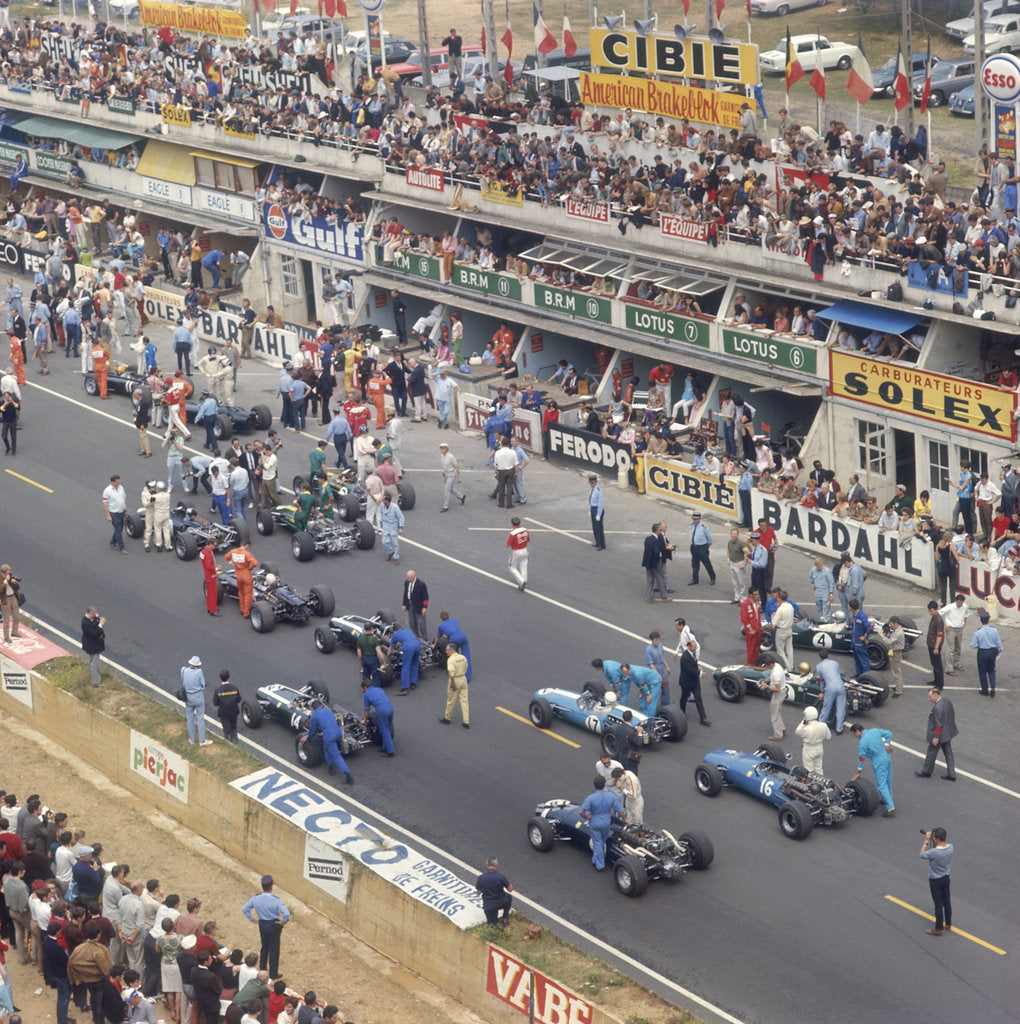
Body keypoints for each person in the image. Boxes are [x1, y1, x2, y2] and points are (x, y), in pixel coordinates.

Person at [242, 876, 289, 979]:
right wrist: (283, 922)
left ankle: (263, 969)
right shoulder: (276, 900)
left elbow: (245, 908)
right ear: (271, 887)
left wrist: (252, 919)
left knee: (264, 947)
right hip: (273, 925)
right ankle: (273, 974)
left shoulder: (255, 898)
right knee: (274, 950)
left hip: (262, 924)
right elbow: (286, 914)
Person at [579, 777, 626, 871]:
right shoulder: (611, 796)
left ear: (595, 785)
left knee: (597, 843)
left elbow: (581, 812)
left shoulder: (591, 798)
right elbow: (620, 811)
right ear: (604, 784)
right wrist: (625, 820)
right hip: (606, 822)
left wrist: (587, 817)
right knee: (602, 841)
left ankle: (600, 865)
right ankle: (595, 859)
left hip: (595, 822)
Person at [302, 700, 354, 784]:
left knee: (336, 755)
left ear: (312, 709)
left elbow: (312, 731)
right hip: (338, 732)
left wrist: (307, 738)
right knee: (326, 749)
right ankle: (330, 768)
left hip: (329, 736)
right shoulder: (328, 711)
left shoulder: (314, 716)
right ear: (321, 706)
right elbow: (330, 722)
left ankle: (349, 776)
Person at [849, 723, 895, 816]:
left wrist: (859, 771)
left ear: (857, 731)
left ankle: (890, 808)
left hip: (878, 761)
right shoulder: (875, 731)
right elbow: (889, 733)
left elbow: (861, 758)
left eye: (854, 734)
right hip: (886, 757)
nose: (854, 736)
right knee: (888, 780)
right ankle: (888, 798)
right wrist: (886, 744)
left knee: (881, 785)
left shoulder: (863, 742)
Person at [915, 687, 958, 780]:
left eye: (930, 697)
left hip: (940, 735)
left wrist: (936, 737)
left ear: (936, 695)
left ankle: (926, 771)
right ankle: (952, 773)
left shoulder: (938, 707)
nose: (929, 699)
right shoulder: (947, 701)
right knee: (948, 753)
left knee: (931, 753)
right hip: (948, 733)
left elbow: (939, 725)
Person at [919, 828, 954, 936]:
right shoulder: (951, 847)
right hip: (946, 878)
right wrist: (933, 839)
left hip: (935, 880)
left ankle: (938, 928)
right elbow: (940, 848)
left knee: (938, 904)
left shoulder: (933, 852)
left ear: (936, 838)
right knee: (947, 901)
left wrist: (926, 841)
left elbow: (921, 854)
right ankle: (948, 923)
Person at [970, 609, 1002, 696]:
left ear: (981, 620)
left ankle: (985, 690)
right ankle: (993, 687)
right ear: (988, 620)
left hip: (982, 652)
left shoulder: (978, 632)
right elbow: (998, 643)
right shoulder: (994, 630)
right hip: (992, 652)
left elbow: (973, 645)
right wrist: (999, 651)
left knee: (982, 671)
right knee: (991, 670)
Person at [181, 655, 211, 747]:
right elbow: (203, 685)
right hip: (198, 698)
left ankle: (192, 739)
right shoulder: (199, 672)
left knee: (190, 718)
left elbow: (183, 683)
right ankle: (202, 741)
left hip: (188, 697)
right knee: (200, 718)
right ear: (198, 665)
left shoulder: (184, 670)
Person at [678, 639, 709, 725]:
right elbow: (689, 670)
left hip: (694, 682)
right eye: (694, 647)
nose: (695, 649)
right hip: (686, 682)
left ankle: (703, 718)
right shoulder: (684, 657)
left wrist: (697, 666)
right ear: (689, 647)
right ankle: (682, 713)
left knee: (698, 699)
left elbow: (694, 662)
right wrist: (700, 673)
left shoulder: (692, 653)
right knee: (684, 698)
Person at [224, 541, 258, 618]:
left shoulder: (233, 551)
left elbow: (226, 557)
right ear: (247, 545)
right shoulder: (246, 554)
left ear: (240, 544)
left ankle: (242, 609)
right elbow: (255, 563)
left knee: (241, 593)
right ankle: (246, 613)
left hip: (238, 574)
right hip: (246, 574)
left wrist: (232, 563)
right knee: (248, 595)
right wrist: (251, 567)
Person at [474, 859, 512, 928]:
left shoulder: (481, 878)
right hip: (502, 902)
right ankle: (505, 917)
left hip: (489, 906)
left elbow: (478, 892)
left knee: (492, 924)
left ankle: (495, 925)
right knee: (509, 897)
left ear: (486, 864)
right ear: (496, 865)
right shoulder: (501, 877)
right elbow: (510, 889)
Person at [362, 679, 395, 755]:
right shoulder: (379, 689)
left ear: (365, 687)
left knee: (384, 731)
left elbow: (366, 710)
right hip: (390, 708)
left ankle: (390, 751)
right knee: (389, 728)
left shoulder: (366, 694)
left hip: (382, 710)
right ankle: (385, 747)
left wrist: (364, 720)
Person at [440, 643, 470, 728]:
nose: (446, 652)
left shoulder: (451, 660)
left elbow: (452, 675)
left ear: (452, 650)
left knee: (451, 700)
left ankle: (447, 718)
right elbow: (466, 667)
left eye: (447, 650)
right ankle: (466, 721)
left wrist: (453, 684)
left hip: (455, 680)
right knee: (464, 700)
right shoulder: (462, 657)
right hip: (463, 679)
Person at [641, 522, 670, 603]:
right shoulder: (656, 540)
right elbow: (657, 553)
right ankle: (664, 596)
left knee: (650, 579)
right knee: (660, 578)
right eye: (660, 530)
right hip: (655, 563)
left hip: (648, 562)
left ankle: (649, 597)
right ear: (658, 530)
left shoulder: (648, 539)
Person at [761, 654, 787, 740]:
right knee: (777, 712)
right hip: (782, 692)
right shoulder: (777, 666)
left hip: (778, 694)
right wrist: (765, 680)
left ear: (771, 664)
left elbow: (777, 689)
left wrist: (766, 686)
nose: (767, 667)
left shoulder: (776, 674)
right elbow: (771, 676)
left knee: (774, 715)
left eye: (767, 666)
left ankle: (778, 735)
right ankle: (782, 728)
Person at [388, 627, 421, 695]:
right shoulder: (408, 630)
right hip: (417, 644)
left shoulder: (396, 634)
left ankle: (404, 689)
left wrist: (388, 656)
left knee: (406, 667)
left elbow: (391, 648)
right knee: (415, 663)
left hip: (409, 647)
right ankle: (413, 683)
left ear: (394, 631)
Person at [212, 669, 240, 743]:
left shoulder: (218, 690)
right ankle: (236, 744)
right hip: (234, 712)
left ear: (220, 678)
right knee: (234, 728)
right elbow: (239, 699)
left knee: (226, 730)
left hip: (224, 713)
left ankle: (228, 744)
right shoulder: (234, 688)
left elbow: (215, 703)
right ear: (228, 677)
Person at [437, 441, 465, 513]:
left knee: (447, 490)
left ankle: (445, 507)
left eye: (442, 448)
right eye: (440, 448)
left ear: (446, 449)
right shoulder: (441, 456)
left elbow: (456, 466)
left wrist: (459, 477)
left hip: (451, 475)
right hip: (446, 474)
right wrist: (444, 472)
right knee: (451, 489)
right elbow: (444, 465)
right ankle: (461, 496)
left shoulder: (451, 456)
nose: (441, 450)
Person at [102, 473, 128, 554]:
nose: (119, 482)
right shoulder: (107, 491)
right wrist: (108, 515)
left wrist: (125, 509)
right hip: (113, 513)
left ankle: (113, 541)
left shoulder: (121, 488)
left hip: (121, 511)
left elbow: (124, 498)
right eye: (117, 481)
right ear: (113, 482)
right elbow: (105, 503)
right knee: (117, 529)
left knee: (120, 528)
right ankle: (121, 547)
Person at [81, 607, 106, 687]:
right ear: (90, 613)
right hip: (91, 646)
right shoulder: (85, 623)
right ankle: (96, 682)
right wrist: (100, 625)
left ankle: (97, 678)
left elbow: (96, 624)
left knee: (96, 662)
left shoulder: (93, 619)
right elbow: (93, 633)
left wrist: (100, 622)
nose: (96, 615)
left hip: (96, 644)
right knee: (94, 664)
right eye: (94, 614)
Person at [688, 512, 715, 585]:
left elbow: (709, 539)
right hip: (694, 547)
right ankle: (695, 579)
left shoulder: (704, 527)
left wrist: (706, 547)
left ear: (699, 519)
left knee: (707, 563)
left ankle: (712, 577)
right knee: (694, 563)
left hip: (702, 547)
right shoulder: (692, 526)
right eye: (693, 519)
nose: (694, 520)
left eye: (696, 519)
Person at [848, 598, 872, 677]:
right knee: (857, 660)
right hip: (854, 642)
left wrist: (864, 636)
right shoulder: (855, 615)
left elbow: (869, 627)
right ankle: (859, 675)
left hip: (860, 644)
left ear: (851, 608)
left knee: (864, 661)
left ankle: (866, 677)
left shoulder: (862, 616)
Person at [505, 517, 530, 591]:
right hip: (525, 550)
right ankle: (524, 579)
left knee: (512, 567)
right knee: (524, 565)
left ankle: (521, 581)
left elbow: (507, 545)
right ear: (520, 523)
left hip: (516, 551)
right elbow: (528, 540)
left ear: (512, 524)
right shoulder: (525, 530)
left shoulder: (513, 533)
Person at [379, 493, 405, 564]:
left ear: (387, 501)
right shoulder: (382, 505)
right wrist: (381, 522)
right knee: (384, 541)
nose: (382, 500)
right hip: (385, 525)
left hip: (393, 526)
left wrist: (401, 527)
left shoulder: (395, 507)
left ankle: (396, 557)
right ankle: (390, 552)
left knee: (395, 543)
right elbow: (381, 513)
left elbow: (401, 517)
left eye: (383, 499)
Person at [925, 599, 945, 690]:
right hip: (931, 644)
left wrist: (936, 647)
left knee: (937, 665)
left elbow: (939, 634)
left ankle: (939, 684)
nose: (930, 612)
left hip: (935, 646)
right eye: (929, 610)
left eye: (931, 611)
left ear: (936, 609)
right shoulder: (934, 617)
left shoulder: (938, 620)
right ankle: (936, 681)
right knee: (934, 663)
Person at [492, 437, 517, 508]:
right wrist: (516, 472)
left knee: (501, 487)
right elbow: (516, 464)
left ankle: (501, 503)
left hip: (501, 471)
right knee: (509, 487)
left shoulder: (498, 452)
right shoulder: (512, 452)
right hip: (510, 470)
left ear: (502, 444)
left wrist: (495, 473)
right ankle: (509, 504)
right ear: (508, 443)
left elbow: (495, 464)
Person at [199, 537, 220, 616]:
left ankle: (210, 608)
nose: (215, 547)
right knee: (213, 594)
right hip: (211, 575)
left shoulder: (203, 551)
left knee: (209, 593)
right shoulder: (208, 554)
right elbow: (208, 566)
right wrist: (216, 568)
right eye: (214, 545)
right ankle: (213, 611)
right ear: (210, 544)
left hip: (207, 574)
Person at [886, 615, 906, 697]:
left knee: (896, 672)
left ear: (895, 623)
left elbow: (888, 641)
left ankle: (898, 691)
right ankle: (898, 686)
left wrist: (881, 634)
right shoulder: (896, 630)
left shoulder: (898, 633)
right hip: (894, 651)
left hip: (896, 652)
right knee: (895, 670)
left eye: (891, 624)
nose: (890, 626)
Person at [0, 563, 21, 641]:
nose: (9, 573)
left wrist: (14, 583)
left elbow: (18, 588)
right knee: (6, 619)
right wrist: (6, 581)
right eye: (8, 572)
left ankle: (14, 632)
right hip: (5, 600)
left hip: (13, 597)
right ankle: (6, 636)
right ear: (3, 572)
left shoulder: (10, 578)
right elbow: (1, 589)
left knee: (17, 616)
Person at [588, 474, 606, 550]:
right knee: (595, 528)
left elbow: (600, 504)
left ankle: (602, 545)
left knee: (599, 528)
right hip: (593, 509)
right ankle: (597, 542)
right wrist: (590, 510)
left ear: (596, 482)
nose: (591, 484)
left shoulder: (599, 491)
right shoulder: (592, 490)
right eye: (590, 483)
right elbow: (591, 502)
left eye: (593, 483)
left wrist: (598, 514)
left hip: (597, 509)